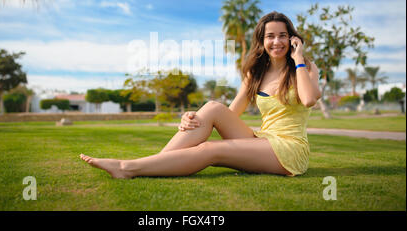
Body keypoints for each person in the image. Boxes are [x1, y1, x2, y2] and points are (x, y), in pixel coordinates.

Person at [80, 11, 322, 178]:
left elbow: (309, 98)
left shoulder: (306, 67)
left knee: (210, 150)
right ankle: (154, 163)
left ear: (292, 38)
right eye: (270, 36)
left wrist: (298, 59)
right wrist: (194, 117)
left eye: (282, 35)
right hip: (263, 139)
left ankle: (128, 168)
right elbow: (228, 114)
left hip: (289, 149)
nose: (276, 41)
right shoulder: (255, 74)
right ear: (262, 41)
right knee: (213, 107)